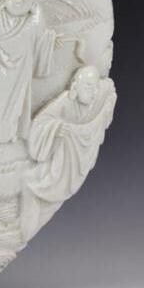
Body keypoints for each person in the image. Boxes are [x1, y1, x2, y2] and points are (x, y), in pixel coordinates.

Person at [20, 65, 116, 239]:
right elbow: (42, 122)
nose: (93, 92)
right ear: (75, 86)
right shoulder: (64, 102)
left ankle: (21, 230)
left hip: (69, 163)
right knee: (34, 187)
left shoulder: (98, 98)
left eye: (95, 87)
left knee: (35, 190)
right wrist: (56, 128)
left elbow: (109, 89)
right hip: (57, 165)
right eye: (88, 86)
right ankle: (21, 229)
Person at [0, 0, 65, 143]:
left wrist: (50, 40)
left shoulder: (33, 20)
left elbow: (41, 38)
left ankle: (12, 132)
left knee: (16, 102)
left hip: (20, 73)